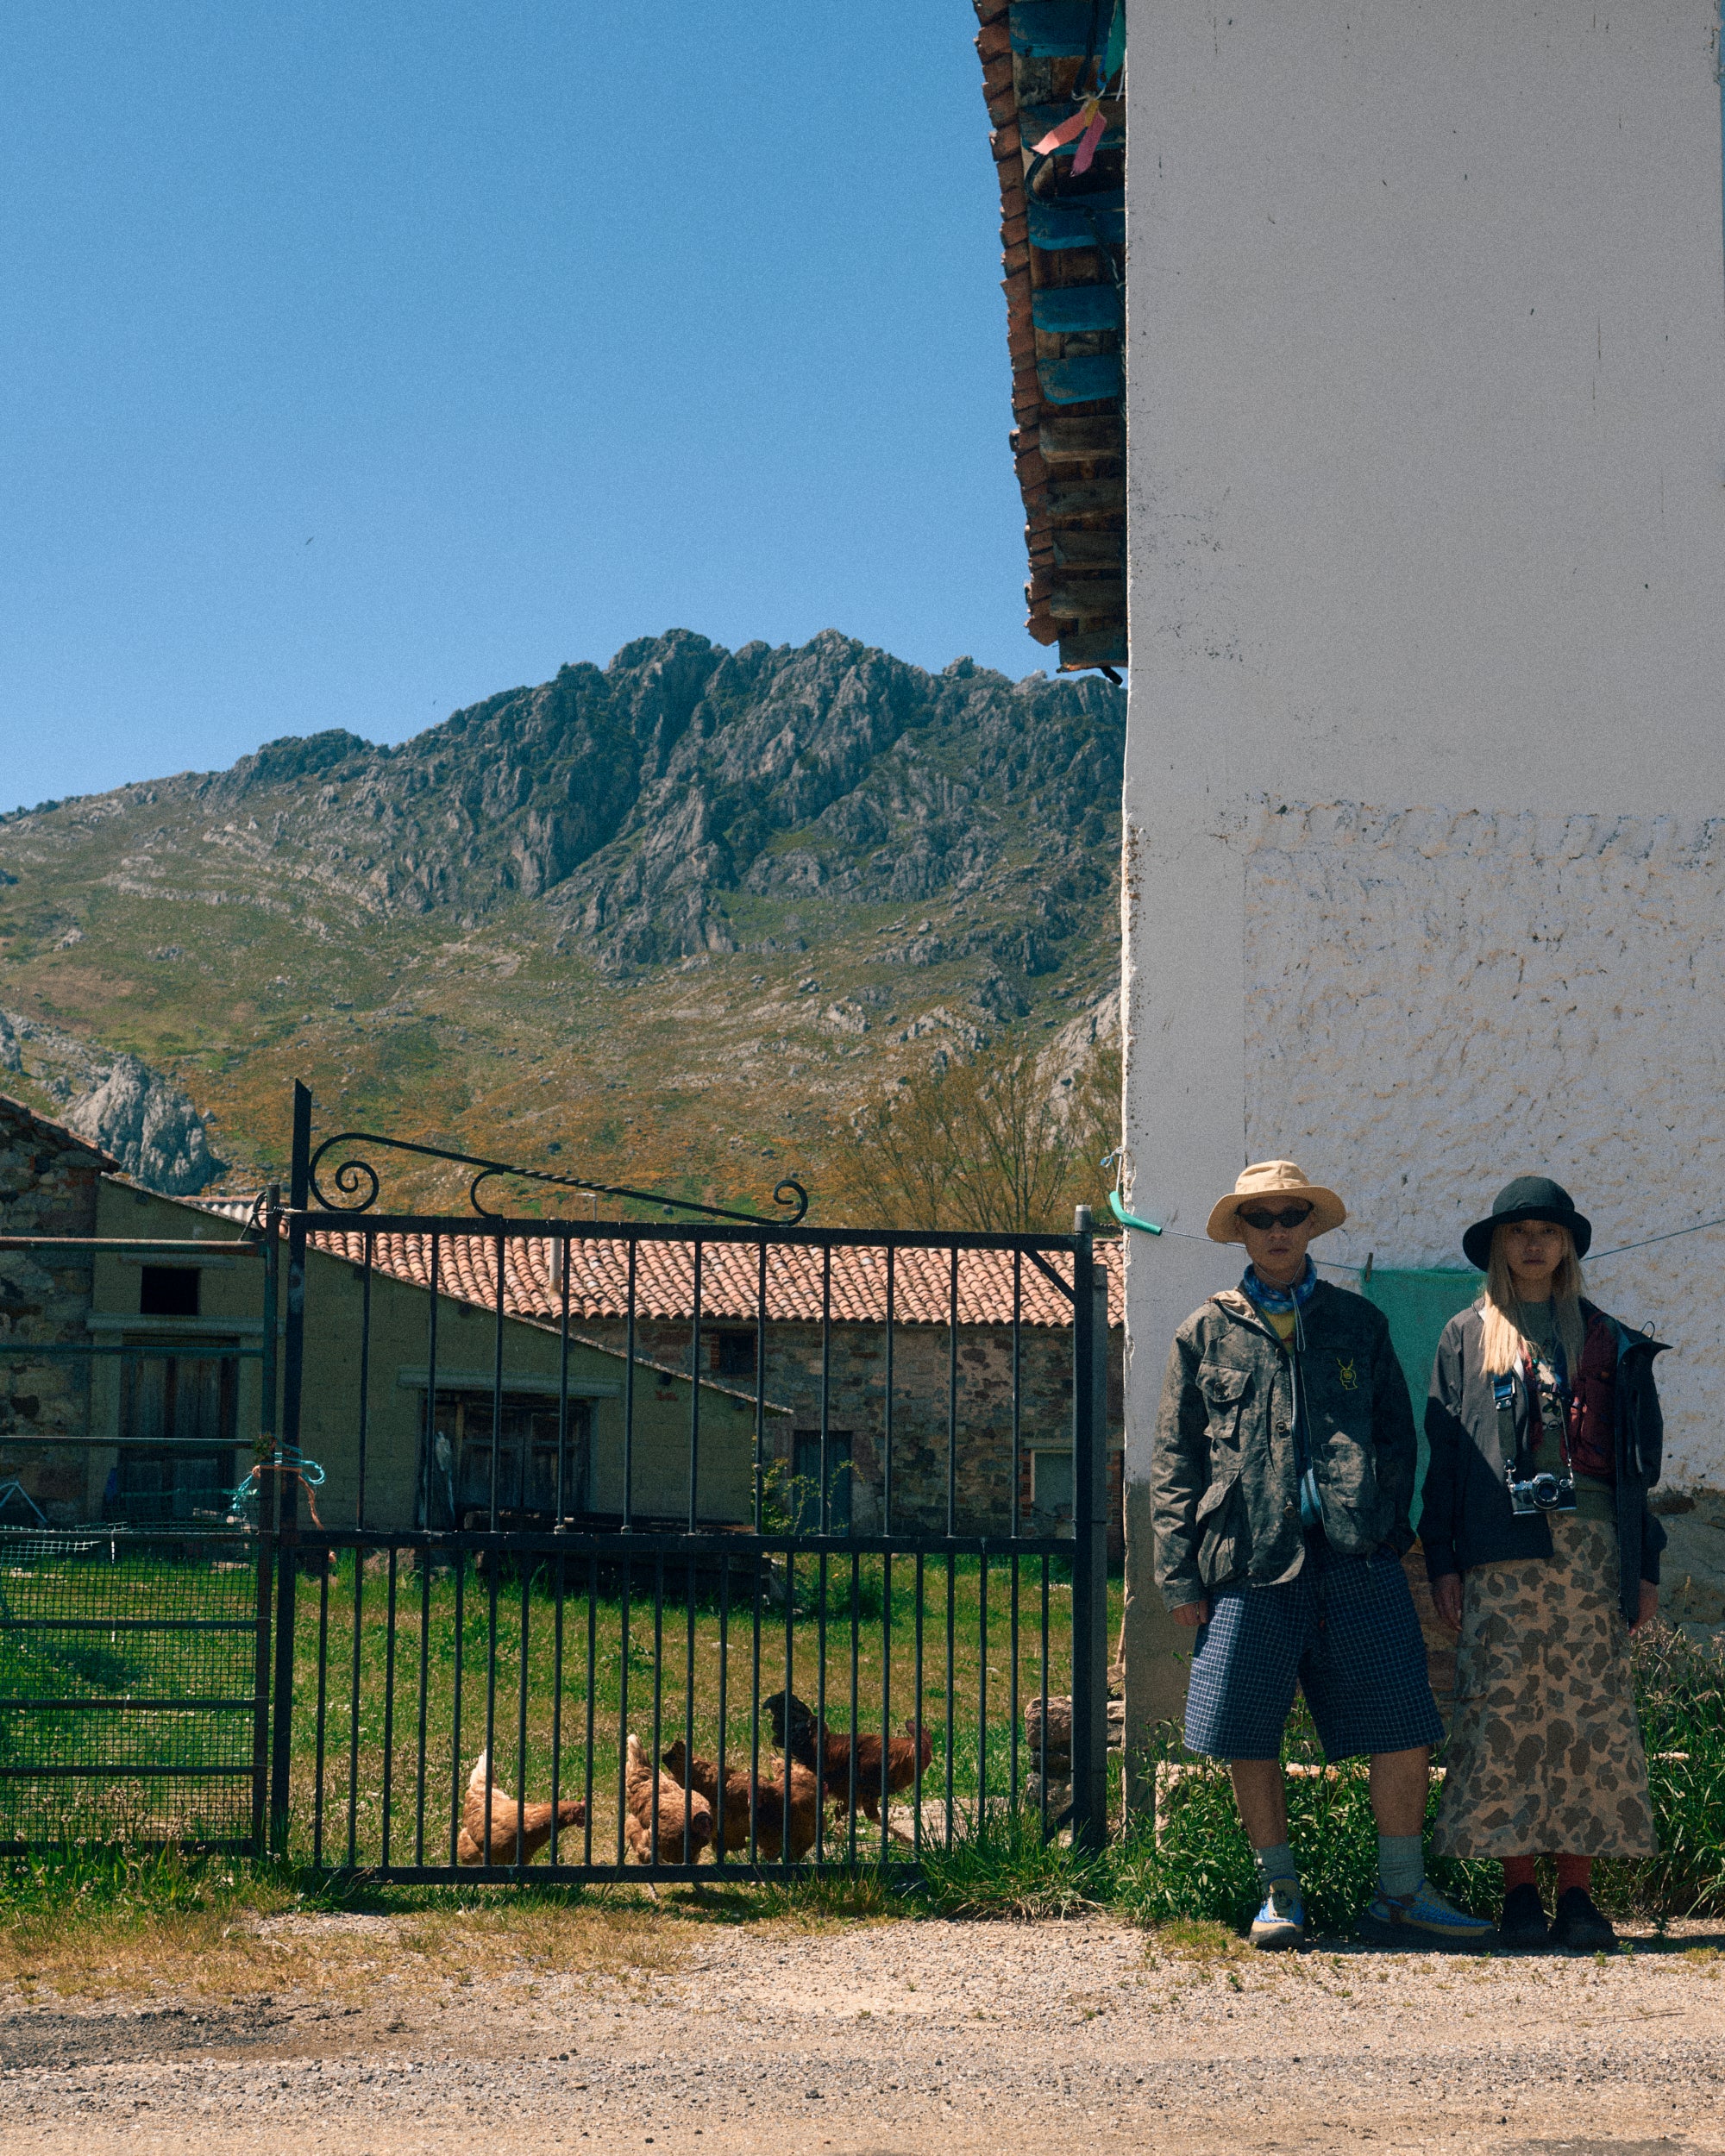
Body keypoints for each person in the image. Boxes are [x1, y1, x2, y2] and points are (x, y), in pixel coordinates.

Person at [1151, 1160, 1493, 1952]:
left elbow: (1397, 1437)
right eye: (1261, 1217)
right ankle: (1281, 1894)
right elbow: (1175, 1463)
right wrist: (1179, 1572)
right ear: (1241, 1230)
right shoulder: (1203, 1332)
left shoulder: (1357, 1323)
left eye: (1291, 1215)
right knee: (1246, 1728)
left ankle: (1402, 1894)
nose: (1277, 1229)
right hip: (1246, 1560)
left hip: (1354, 1559)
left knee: (1402, 1720)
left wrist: (1385, 1531)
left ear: (1311, 1227)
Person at [1421, 1175, 1666, 1951]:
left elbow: (1637, 1469)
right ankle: (1519, 1894)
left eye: (1548, 1232)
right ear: (1499, 1246)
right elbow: (1447, 1466)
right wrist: (1443, 1563)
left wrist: (1645, 1566)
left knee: (1585, 1725)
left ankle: (1581, 1897)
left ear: (1566, 1247)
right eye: (1519, 1231)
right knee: (1503, 1721)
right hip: (1501, 1556)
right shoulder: (1466, 1335)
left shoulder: (1607, 1338)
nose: (1534, 1244)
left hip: (1592, 1558)